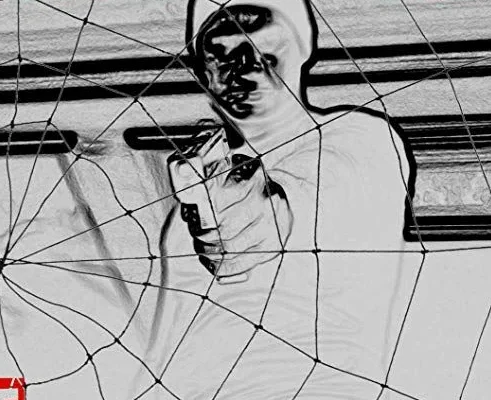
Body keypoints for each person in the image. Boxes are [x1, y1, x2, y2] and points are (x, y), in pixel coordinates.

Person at [142, 1, 425, 398]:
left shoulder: (360, 137)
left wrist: (247, 214)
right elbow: (172, 332)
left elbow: (301, 201)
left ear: (302, 47)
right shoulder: (186, 210)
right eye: (218, 53)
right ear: (202, 71)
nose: (240, 67)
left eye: (260, 47)